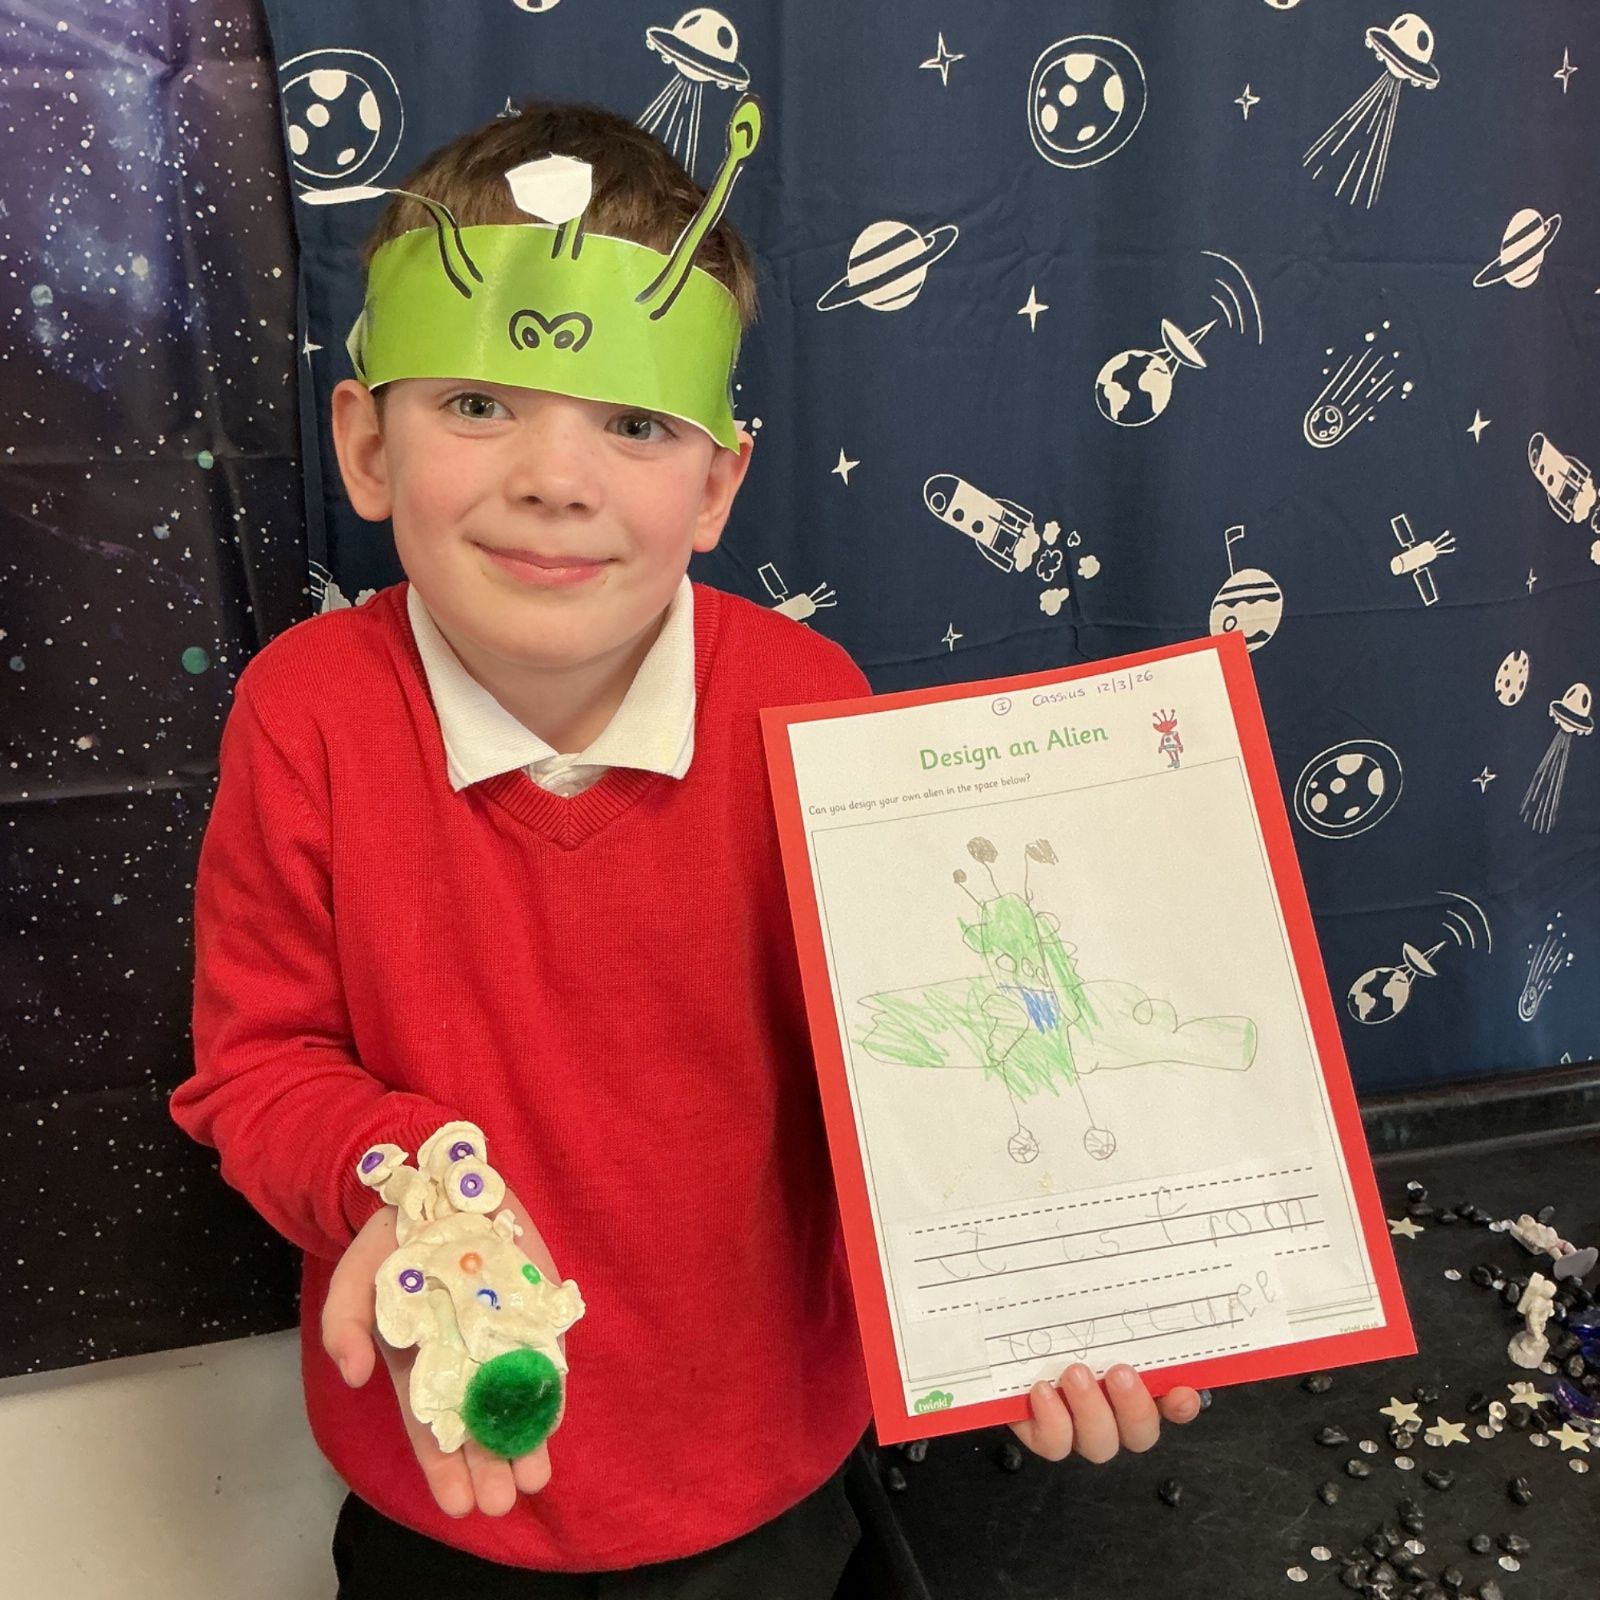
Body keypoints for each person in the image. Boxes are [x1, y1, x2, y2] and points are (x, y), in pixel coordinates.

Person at [169, 97, 1199, 1599]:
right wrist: (394, 1187)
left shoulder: (809, 703)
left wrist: (1059, 1287)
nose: (555, 478)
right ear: (367, 444)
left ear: (716, 485)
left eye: (636, 424)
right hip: (441, 1473)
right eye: (479, 405)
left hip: (763, 1470)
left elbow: (934, 1060)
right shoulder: (306, 713)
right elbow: (259, 1064)